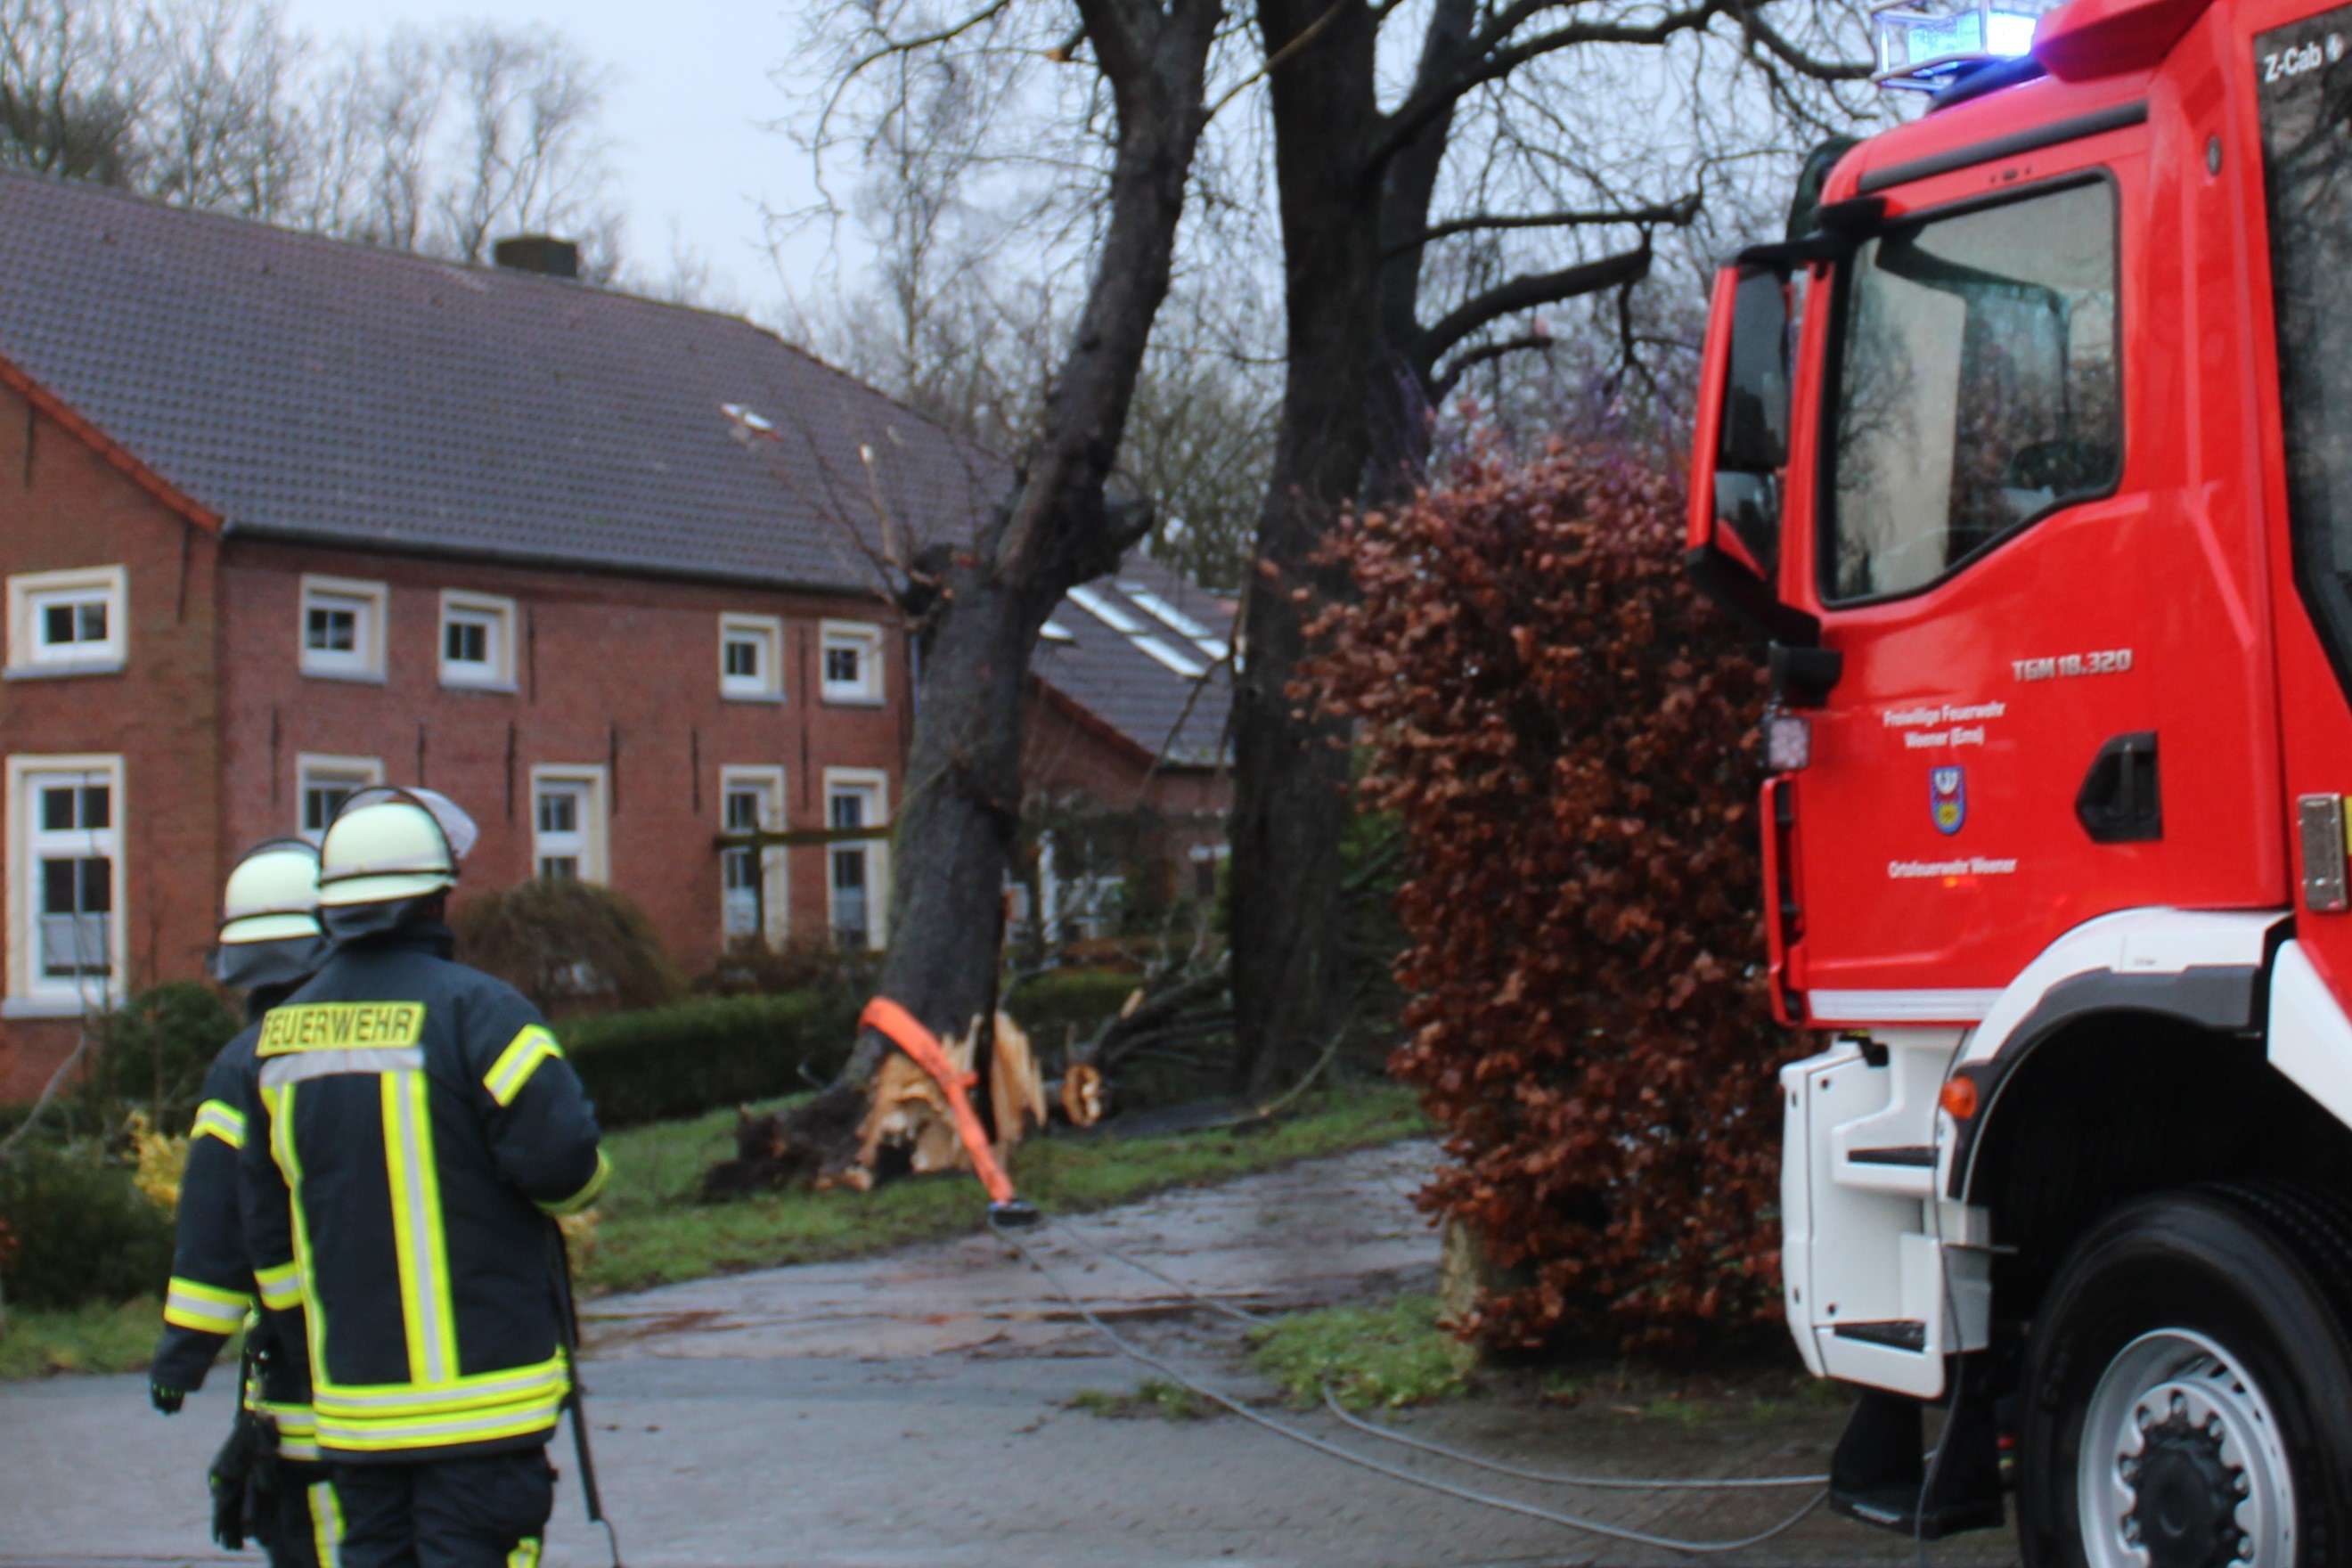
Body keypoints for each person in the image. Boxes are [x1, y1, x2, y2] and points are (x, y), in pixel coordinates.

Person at [241, 787, 608, 1568]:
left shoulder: (279, 1041)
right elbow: (567, 1169)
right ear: (438, 898)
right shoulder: (484, 1013)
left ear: (331, 908)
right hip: (483, 1411)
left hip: (355, 1419)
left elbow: (268, 1228)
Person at [150, 837, 339, 1564]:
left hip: (303, 1383)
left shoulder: (241, 1066)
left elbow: (214, 1228)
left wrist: (182, 1358)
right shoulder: (409, 1032)